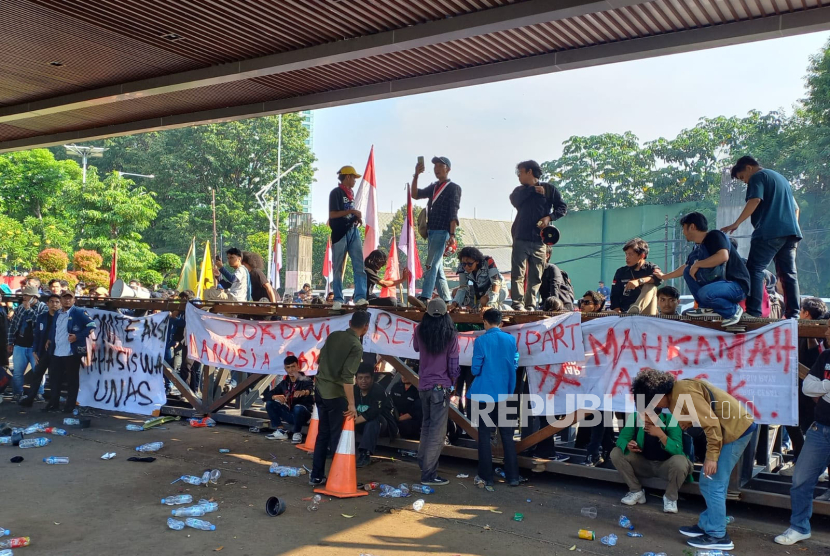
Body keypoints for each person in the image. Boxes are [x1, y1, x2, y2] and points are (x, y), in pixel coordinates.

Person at [631, 369, 756, 551]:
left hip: (734, 432)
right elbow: (686, 423)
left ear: (656, 397)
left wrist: (712, 457)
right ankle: (707, 524)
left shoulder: (683, 392)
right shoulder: (674, 397)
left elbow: (711, 424)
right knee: (706, 481)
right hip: (724, 432)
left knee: (714, 483)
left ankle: (718, 535)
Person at [722, 156, 801, 318]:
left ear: (749, 167)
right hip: (790, 233)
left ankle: (753, 312)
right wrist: (792, 228)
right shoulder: (781, 179)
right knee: (788, 274)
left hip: (769, 232)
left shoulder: (758, 176)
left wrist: (736, 223)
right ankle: (793, 313)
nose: (744, 182)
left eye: (743, 177)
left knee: (754, 269)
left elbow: (755, 200)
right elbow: (796, 209)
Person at [774, 319, 830, 545]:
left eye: (829, 328)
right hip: (820, 428)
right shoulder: (826, 356)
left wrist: (823, 387)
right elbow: (808, 386)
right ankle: (799, 527)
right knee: (801, 480)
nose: (826, 332)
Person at [655, 212, 749, 327]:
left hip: (736, 286)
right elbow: (686, 268)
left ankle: (733, 310)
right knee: (687, 271)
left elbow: (723, 256)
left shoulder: (715, 235)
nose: (683, 233)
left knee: (705, 293)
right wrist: (664, 276)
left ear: (692, 227)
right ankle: (706, 308)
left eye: (684, 229)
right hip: (719, 287)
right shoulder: (697, 247)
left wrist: (698, 264)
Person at [309, 311, 370, 486]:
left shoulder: (334, 335)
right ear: (366, 327)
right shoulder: (355, 345)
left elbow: (319, 360)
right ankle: (339, 478)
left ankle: (316, 475)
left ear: (350, 322)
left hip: (320, 390)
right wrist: (352, 403)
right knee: (338, 437)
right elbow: (348, 376)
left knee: (323, 434)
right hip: (335, 394)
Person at [470, 308, 520, 489]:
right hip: (506, 392)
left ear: (485, 321)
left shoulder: (481, 341)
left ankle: (486, 476)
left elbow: (475, 369)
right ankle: (513, 477)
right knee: (507, 436)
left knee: (484, 435)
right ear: (501, 322)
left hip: (484, 393)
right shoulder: (511, 339)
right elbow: (515, 362)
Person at [509, 160, 567, 311]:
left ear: (529, 172)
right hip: (520, 236)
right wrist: (533, 190)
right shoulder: (519, 191)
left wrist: (550, 217)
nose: (519, 176)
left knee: (535, 275)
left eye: (520, 173)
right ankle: (517, 304)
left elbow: (562, 207)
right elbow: (514, 201)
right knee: (518, 273)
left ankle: (530, 304)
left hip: (540, 240)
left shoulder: (549, 189)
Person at [413, 298, 460, 486]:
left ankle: (423, 463)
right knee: (437, 433)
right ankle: (429, 474)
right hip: (441, 388)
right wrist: (453, 382)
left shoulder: (419, 330)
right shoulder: (450, 335)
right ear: (446, 314)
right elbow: (453, 365)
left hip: (423, 385)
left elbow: (416, 348)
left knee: (426, 426)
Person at [609, 409, 693, 513]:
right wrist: (628, 445)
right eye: (642, 415)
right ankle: (636, 491)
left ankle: (670, 497)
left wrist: (661, 435)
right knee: (616, 453)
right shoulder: (635, 417)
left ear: (658, 415)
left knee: (681, 461)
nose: (645, 419)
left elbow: (678, 449)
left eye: (649, 416)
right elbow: (621, 439)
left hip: (665, 466)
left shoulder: (670, 419)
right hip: (643, 463)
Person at [411, 156, 462, 306]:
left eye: (441, 165)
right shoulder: (433, 187)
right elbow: (415, 194)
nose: (437, 168)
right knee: (437, 268)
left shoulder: (453, 188)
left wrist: (452, 234)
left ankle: (425, 297)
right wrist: (416, 175)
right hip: (431, 231)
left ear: (448, 169)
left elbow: (454, 212)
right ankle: (447, 299)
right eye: (435, 166)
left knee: (431, 264)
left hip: (442, 230)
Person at [44, 291, 96, 413]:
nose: (67, 300)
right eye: (65, 298)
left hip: (71, 352)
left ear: (74, 300)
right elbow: (54, 328)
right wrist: (49, 339)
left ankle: (69, 406)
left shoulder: (78, 312)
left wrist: (77, 336)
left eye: (70, 298)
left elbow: (92, 325)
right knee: (54, 379)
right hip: (56, 351)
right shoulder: (57, 313)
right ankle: (53, 404)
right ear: (61, 300)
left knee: (72, 380)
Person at [328, 166, 369, 311]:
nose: (355, 181)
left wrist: (355, 217)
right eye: (353, 178)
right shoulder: (336, 193)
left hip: (353, 230)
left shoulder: (350, 194)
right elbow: (332, 215)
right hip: (340, 233)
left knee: (359, 265)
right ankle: (337, 299)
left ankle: (360, 297)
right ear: (347, 177)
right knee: (338, 267)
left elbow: (347, 213)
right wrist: (351, 211)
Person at [6, 285, 47, 401]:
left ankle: (39, 393)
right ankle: (18, 393)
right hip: (20, 344)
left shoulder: (43, 308)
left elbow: (39, 323)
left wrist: (29, 309)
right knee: (18, 372)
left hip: (35, 346)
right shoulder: (20, 308)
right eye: (24, 295)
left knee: (38, 371)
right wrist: (10, 342)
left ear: (34, 297)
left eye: (27, 295)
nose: (24, 297)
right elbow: (13, 326)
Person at [19, 294, 61, 406]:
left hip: (56, 351)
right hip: (42, 351)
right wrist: (35, 350)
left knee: (54, 377)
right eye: (52, 301)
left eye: (57, 302)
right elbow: (37, 334)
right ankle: (30, 399)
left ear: (60, 304)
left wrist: (51, 340)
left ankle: (53, 402)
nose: (54, 304)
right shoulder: (42, 317)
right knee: (37, 375)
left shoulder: (62, 317)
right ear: (47, 303)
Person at [353, 367, 397, 467]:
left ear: (372, 379)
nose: (363, 381)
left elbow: (373, 413)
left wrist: (351, 423)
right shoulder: (354, 390)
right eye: (360, 378)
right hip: (360, 423)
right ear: (356, 379)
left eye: (367, 377)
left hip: (382, 425)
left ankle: (365, 454)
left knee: (373, 420)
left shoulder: (378, 390)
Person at [263, 356, 314, 444]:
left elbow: (311, 389)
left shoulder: (306, 379)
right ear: (285, 369)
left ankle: (297, 433)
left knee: (298, 408)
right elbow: (266, 395)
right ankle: (280, 431)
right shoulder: (284, 383)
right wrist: (274, 397)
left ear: (298, 367)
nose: (291, 370)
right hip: (290, 414)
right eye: (288, 367)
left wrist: (304, 392)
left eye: (293, 366)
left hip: (304, 415)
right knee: (270, 403)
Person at [610, 238, 662, 315]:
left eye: (630, 254)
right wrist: (616, 309)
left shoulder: (651, 268)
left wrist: (639, 281)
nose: (627, 257)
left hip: (647, 311)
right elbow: (615, 294)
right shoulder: (621, 272)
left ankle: (636, 308)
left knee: (650, 286)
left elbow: (659, 278)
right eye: (626, 254)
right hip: (625, 311)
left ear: (642, 255)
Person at [450, 247, 506, 312]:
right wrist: (454, 303)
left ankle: (494, 310)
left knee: (484, 300)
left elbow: (496, 284)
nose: (466, 267)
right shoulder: (462, 266)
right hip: (478, 290)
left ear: (477, 261)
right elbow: (463, 287)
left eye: (470, 264)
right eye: (464, 264)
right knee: (455, 292)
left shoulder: (488, 262)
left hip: (497, 289)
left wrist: (491, 304)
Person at [390, 375, 423, 439]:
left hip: (410, 422)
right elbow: (390, 403)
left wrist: (397, 420)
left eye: (406, 373)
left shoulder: (419, 391)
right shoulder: (396, 387)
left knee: (405, 425)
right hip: (394, 418)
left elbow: (414, 413)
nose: (404, 376)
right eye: (402, 373)